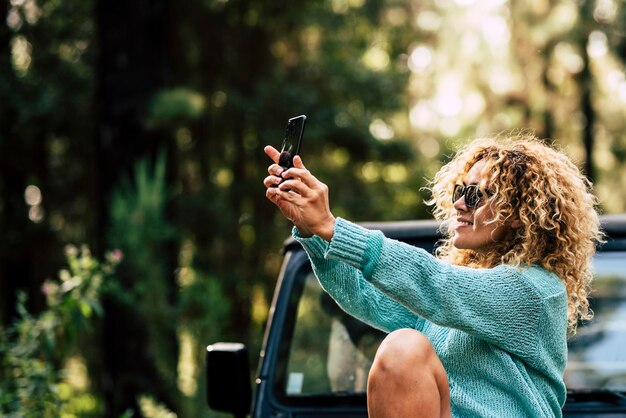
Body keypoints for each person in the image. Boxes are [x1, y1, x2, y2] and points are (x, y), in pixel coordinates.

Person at [263, 133, 603, 418]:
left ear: (517, 216)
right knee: (402, 347)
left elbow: (437, 285)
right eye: (459, 191)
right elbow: (364, 295)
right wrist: (313, 232)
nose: (459, 204)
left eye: (475, 195)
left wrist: (332, 227)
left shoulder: (536, 292)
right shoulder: (453, 303)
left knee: (403, 346)